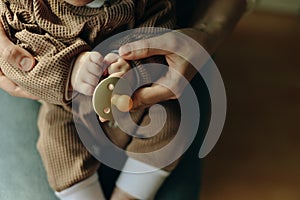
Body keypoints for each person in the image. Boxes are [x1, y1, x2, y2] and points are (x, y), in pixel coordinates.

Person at [0, 0, 253, 199]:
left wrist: (135, 70)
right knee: (57, 146)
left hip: (137, 99)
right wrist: (70, 70)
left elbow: (157, 34)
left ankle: (130, 195)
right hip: (64, 107)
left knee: (174, 125)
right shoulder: (29, 6)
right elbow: (24, 61)